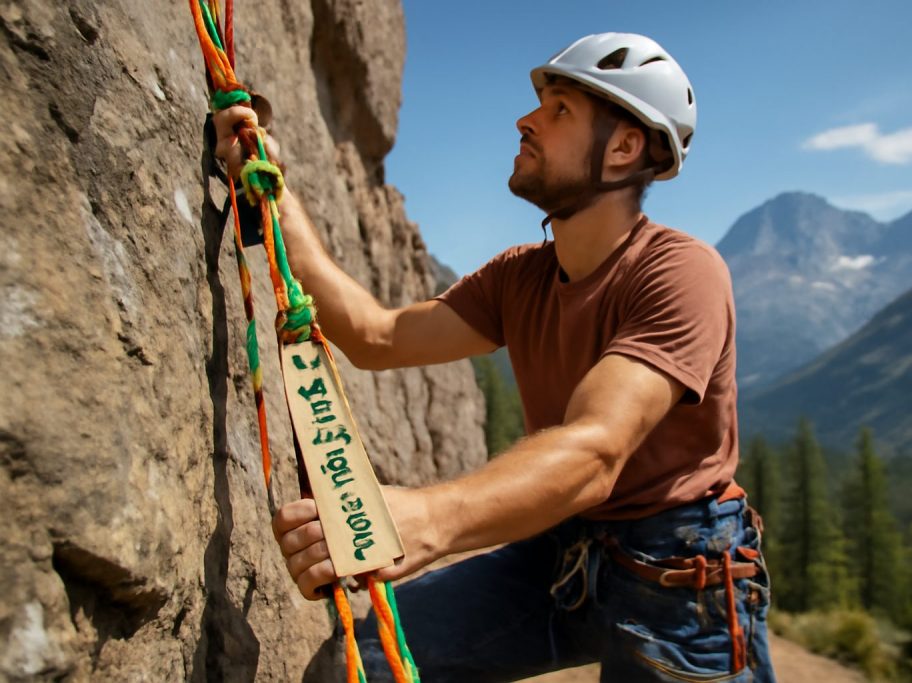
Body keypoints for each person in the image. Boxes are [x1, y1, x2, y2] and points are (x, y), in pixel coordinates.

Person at [215, 32, 775, 683]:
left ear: (624, 148)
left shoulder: (680, 272)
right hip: (566, 546)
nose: (525, 118)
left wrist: (426, 518)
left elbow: (596, 451)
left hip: (680, 572)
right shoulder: (521, 277)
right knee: (359, 663)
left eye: (560, 109)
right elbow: (377, 336)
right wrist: (271, 188)